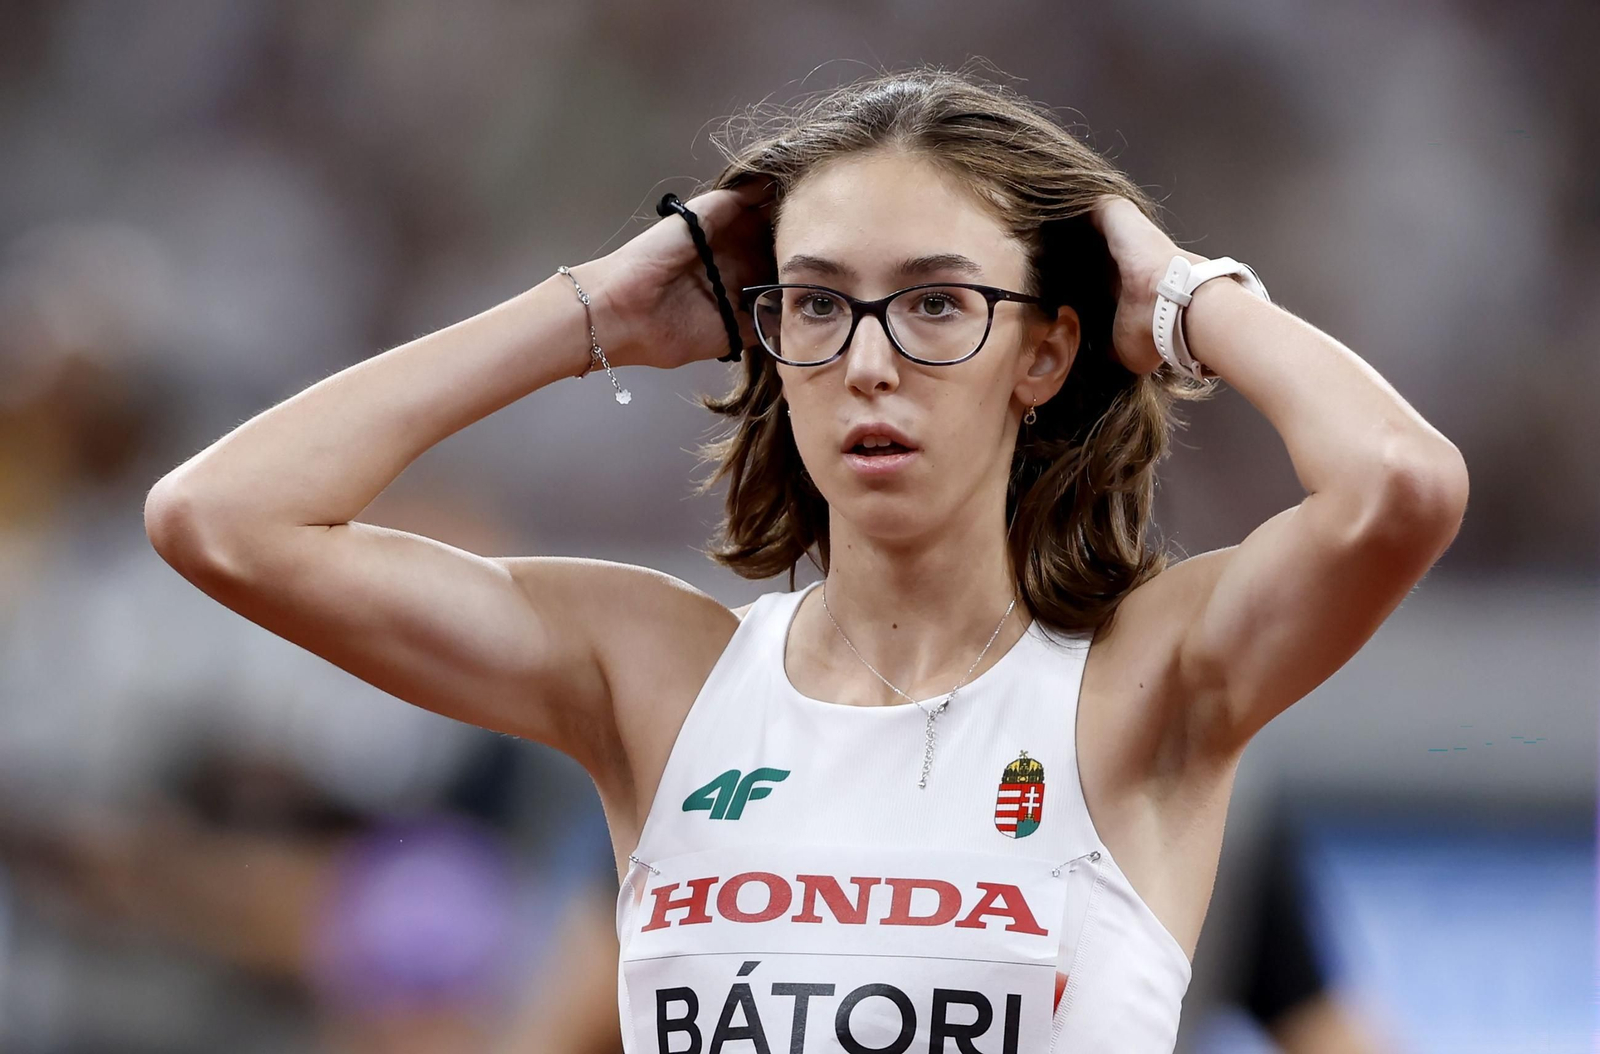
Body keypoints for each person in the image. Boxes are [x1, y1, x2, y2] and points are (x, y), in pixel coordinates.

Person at [142, 66, 1468, 1053]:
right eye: (819, 302)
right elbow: (221, 518)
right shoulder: (658, 676)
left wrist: (1180, 288)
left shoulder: (1144, 681)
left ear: (1050, 350)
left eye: (940, 301)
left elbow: (1400, 485)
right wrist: (595, 311)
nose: (872, 359)